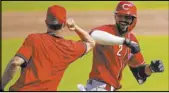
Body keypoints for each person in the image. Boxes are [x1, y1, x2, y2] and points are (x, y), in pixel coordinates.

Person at [1, 5, 95, 91]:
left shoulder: (34, 39)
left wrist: (1, 86)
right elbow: (91, 42)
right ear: (64, 24)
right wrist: (75, 27)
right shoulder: (69, 48)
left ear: (46, 22)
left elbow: (15, 62)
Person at [77, 1, 164, 91]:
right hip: (99, 87)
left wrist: (151, 68)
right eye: (120, 16)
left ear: (133, 20)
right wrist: (124, 41)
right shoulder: (107, 31)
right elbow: (92, 35)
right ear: (115, 16)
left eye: (127, 17)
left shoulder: (132, 40)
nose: (123, 20)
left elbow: (139, 73)